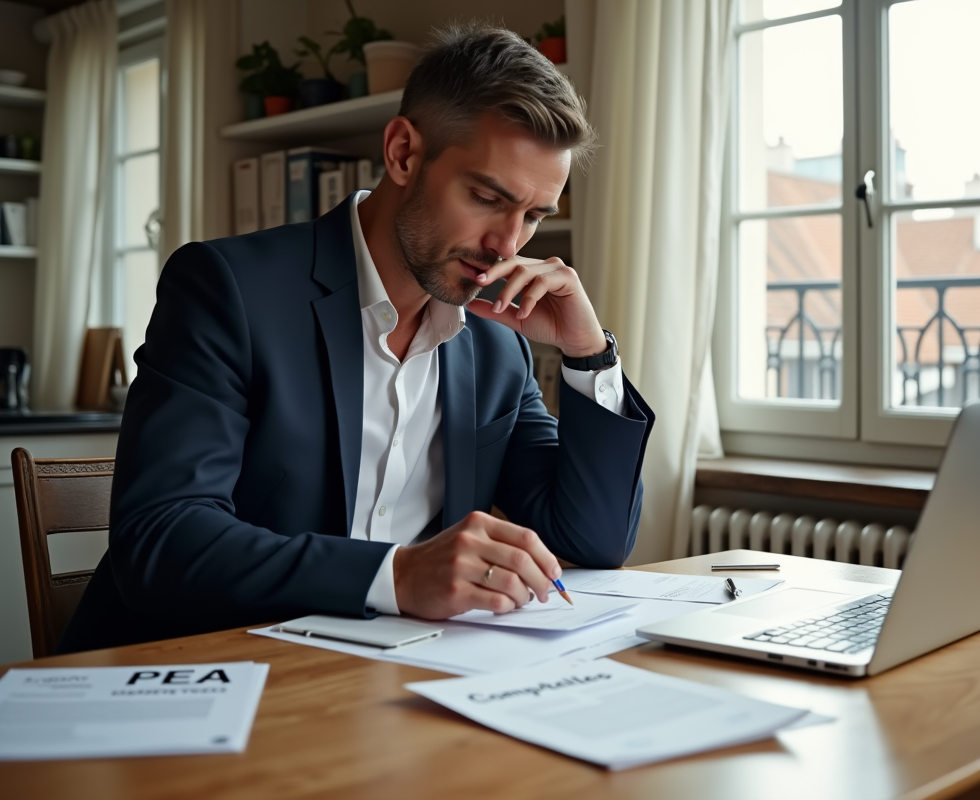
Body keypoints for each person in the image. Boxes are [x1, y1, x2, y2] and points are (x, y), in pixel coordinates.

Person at [58, 23, 654, 653]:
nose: (507, 245)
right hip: (198, 672)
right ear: (402, 152)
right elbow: (162, 540)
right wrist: (397, 575)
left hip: (376, 684)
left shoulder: (494, 348)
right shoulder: (226, 289)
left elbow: (593, 539)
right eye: (486, 196)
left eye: (533, 216)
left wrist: (590, 355)